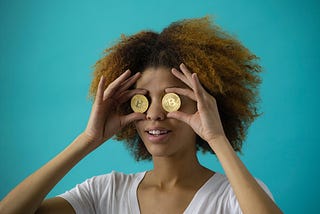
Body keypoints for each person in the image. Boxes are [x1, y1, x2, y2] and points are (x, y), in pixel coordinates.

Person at [0, 16, 282, 214]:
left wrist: (217, 137)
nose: (155, 114)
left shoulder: (237, 196)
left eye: (172, 99)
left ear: (204, 105)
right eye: (142, 99)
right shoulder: (105, 192)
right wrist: (87, 139)